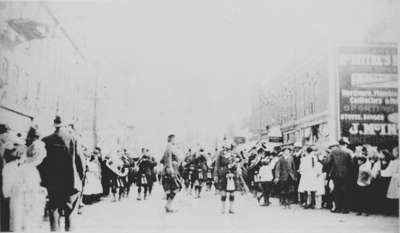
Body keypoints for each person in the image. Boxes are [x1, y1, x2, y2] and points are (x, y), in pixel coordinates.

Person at [41, 116, 84, 231]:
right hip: (70, 182)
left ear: (54, 125)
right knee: (70, 212)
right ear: (64, 125)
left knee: (54, 210)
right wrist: (81, 175)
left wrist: (44, 180)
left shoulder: (45, 140)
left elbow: (41, 162)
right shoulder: (72, 139)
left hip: (53, 183)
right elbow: (80, 159)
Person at [327, 139, 354, 214]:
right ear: (345, 144)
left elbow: (328, 162)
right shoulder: (349, 152)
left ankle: (337, 207)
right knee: (345, 191)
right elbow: (352, 164)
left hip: (335, 174)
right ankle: (345, 208)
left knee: (337, 191)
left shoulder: (333, 152)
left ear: (339, 144)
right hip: (346, 175)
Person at [213, 145, 239, 214]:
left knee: (232, 193)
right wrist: (216, 175)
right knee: (223, 193)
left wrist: (235, 169)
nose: (228, 148)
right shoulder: (220, 154)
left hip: (231, 176)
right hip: (223, 175)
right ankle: (223, 208)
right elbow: (216, 166)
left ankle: (231, 208)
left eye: (230, 146)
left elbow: (236, 166)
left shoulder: (233, 154)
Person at [160, 134, 182, 213]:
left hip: (171, 170)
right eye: (174, 139)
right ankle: (168, 205)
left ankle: (168, 206)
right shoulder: (169, 147)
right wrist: (170, 167)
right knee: (176, 188)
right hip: (170, 171)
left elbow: (162, 160)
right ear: (172, 139)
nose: (175, 141)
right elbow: (168, 158)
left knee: (171, 189)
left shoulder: (170, 147)